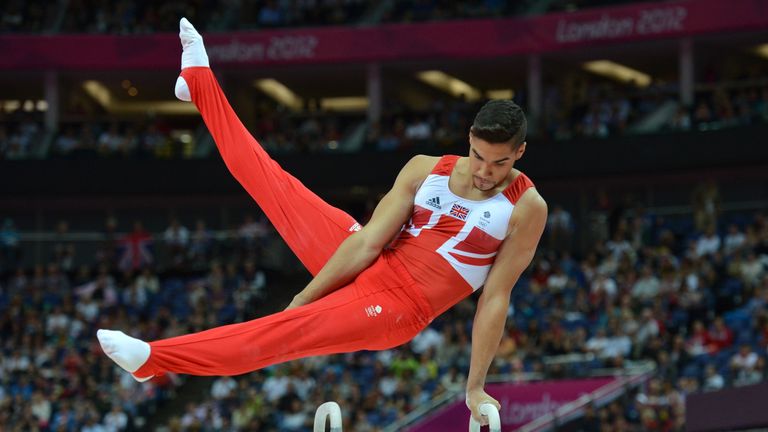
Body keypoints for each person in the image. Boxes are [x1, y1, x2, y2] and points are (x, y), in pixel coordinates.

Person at [97, 18, 547, 425]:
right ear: (468, 139)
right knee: (271, 181)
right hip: (370, 260)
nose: (487, 172)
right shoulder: (425, 168)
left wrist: (474, 386)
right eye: (479, 157)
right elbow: (369, 241)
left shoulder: (526, 207)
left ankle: (156, 360)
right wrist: (304, 296)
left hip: (398, 307)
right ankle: (198, 83)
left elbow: (495, 297)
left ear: (520, 154)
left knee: (282, 333)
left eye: (500, 163)